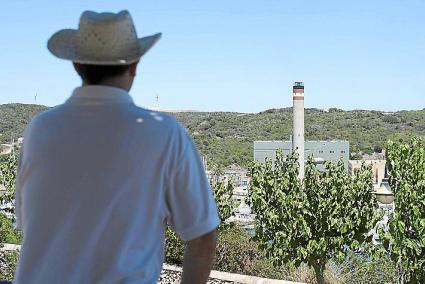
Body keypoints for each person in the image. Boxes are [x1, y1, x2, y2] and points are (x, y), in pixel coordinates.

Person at [14, 10, 220, 284]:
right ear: (134, 65)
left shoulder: (40, 129)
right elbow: (203, 239)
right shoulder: (165, 134)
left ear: (76, 64)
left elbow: (27, 223)